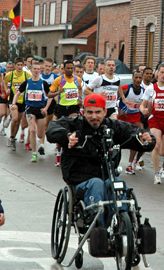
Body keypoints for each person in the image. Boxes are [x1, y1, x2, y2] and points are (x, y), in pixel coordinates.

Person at [46, 94, 155, 225]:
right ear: (83, 111)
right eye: (90, 112)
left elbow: (134, 134)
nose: (94, 117)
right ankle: (98, 227)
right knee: (96, 184)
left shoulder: (114, 126)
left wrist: (145, 139)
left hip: (108, 176)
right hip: (80, 178)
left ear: (105, 111)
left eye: (98, 112)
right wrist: (67, 136)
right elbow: (52, 129)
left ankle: (124, 227)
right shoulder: (75, 124)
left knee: (119, 185)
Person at [11, 62, 50, 161]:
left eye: (38, 69)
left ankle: (41, 144)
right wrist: (13, 104)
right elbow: (17, 93)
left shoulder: (43, 83)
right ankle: (34, 153)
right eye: (34, 69)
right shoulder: (27, 83)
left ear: (40, 70)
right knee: (32, 130)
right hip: (30, 108)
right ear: (31, 70)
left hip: (40, 109)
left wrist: (46, 108)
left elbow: (50, 97)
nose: (36, 71)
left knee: (40, 134)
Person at [47, 60, 83, 166]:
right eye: (68, 68)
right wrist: (58, 92)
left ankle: (72, 154)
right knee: (60, 133)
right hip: (62, 108)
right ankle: (59, 155)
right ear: (64, 68)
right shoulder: (59, 80)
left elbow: (80, 89)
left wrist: (79, 98)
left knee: (73, 130)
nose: (70, 70)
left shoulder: (78, 80)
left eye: (72, 68)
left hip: (73, 108)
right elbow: (49, 94)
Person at [118, 71, 145, 175]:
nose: (138, 79)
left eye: (140, 77)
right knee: (118, 143)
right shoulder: (126, 88)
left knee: (136, 140)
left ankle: (130, 164)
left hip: (135, 119)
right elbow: (116, 97)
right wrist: (120, 110)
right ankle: (115, 162)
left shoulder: (143, 90)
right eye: (136, 77)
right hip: (123, 119)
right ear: (133, 78)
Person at [4, 57, 31, 150]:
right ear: (15, 65)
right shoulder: (10, 75)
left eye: (21, 65)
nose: (19, 67)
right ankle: (11, 137)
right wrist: (6, 89)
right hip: (13, 100)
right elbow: (4, 81)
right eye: (18, 65)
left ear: (23, 65)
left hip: (22, 101)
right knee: (15, 119)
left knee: (18, 121)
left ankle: (13, 138)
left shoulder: (27, 75)